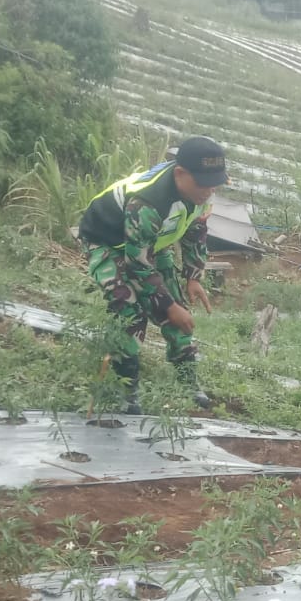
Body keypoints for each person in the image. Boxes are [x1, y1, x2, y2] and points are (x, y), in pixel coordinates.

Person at [76, 136, 226, 412]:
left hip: (150, 243)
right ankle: (128, 391)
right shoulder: (147, 202)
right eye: (203, 183)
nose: (209, 190)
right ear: (180, 173)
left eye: (214, 183)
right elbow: (137, 264)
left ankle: (188, 381)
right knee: (130, 312)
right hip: (109, 243)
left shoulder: (200, 194)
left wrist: (193, 276)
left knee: (179, 311)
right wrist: (167, 306)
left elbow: (195, 230)